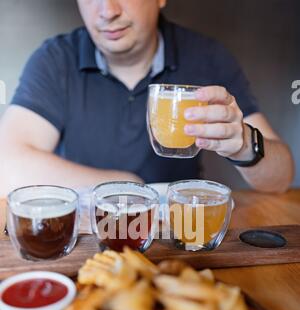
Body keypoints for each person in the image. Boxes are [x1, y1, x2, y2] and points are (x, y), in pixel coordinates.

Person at [0, 0, 294, 196]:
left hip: (177, 238)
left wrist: (244, 144)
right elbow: (6, 164)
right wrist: (127, 187)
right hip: (88, 234)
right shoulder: (55, 59)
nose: (107, 11)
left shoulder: (207, 57)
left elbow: (281, 178)